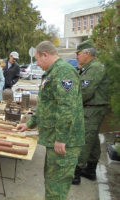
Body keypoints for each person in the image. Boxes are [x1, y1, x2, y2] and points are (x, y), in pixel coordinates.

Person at [17, 41, 85, 200]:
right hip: (57, 138)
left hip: (65, 141)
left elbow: (66, 107)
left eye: (37, 59)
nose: (37, 64)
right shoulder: (54, 72)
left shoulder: (63, 72)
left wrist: (61, 138)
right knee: (52, 181)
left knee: (56, 187)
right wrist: (29, 124)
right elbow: (47, 106)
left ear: (44, 55)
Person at [72, 40, 109, 185]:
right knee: (92, 140)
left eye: (78, 54)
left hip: (92, 109)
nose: (76, 57)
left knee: (85, 139)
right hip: (92, 109)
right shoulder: (89, 68)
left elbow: (84, 92)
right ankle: (91, 170)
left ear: (87, 53)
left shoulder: (95, 68)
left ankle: (75, 173)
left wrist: (69, 103)